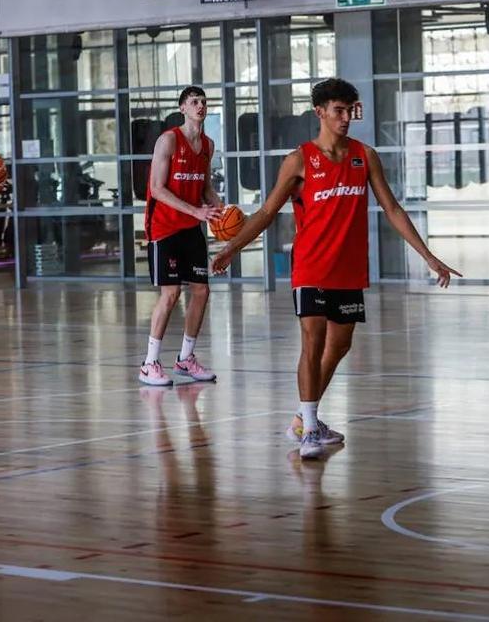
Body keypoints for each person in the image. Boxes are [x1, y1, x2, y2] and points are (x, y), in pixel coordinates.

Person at [210, 77, 461, 459]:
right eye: (338, 111)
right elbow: (265, 212)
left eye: (350, 111)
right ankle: (310, 428)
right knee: (312, 341)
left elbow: (392, 209)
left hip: (348, 270)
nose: (346, 118)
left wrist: (427, 256)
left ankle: (302, 417)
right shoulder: (299, 161)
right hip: (310, 267)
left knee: (339, 345)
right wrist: (232, 247)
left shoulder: (364, 156)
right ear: (320, 113)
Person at [140, 86, 221, 386]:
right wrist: (196, 212)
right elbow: (157, 189)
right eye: (194, 102)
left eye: (203, 101)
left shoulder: (208, 145)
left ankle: (185, 359)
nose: (200, 106)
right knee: (171, 294)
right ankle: (149, 363)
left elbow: (204, 186)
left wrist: (217, 205)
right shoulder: (169, 140)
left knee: (201, 291)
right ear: (183, 108)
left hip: (191, 227)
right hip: (164, 227)